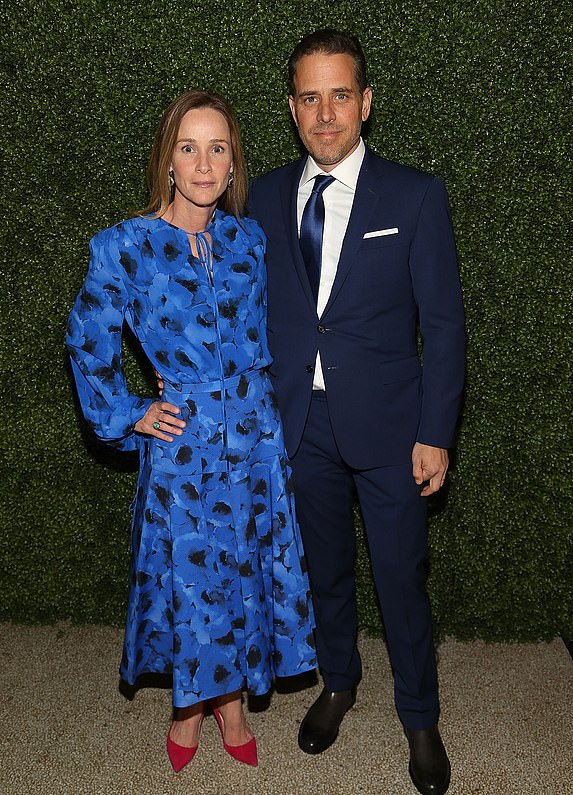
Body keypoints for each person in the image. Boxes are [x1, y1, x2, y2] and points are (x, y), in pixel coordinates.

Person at [66, 89, 316, 773]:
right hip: (184, 444)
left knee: (243, 570)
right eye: (188, 147)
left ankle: (229, 699)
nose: (204, 163)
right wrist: (127, 413)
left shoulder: (249, 240)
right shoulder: (126, 245)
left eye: (218, 148)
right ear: (168, 162)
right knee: (190, 577)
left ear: (234, 164)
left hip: (255, 443)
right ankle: (188, 705)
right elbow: (87, 339)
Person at [248, 30, 465, 795]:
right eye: (310, 96)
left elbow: (442, 326)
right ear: (292, 108)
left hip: (391, 430)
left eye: (341, 94)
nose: (326, 113)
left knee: (402, 577)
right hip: (299, 428)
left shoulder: (414, 195)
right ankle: (338, 681)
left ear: (366, 103)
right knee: (324, 572)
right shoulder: (264, 197)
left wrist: (435, 431)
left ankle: (420, 716)